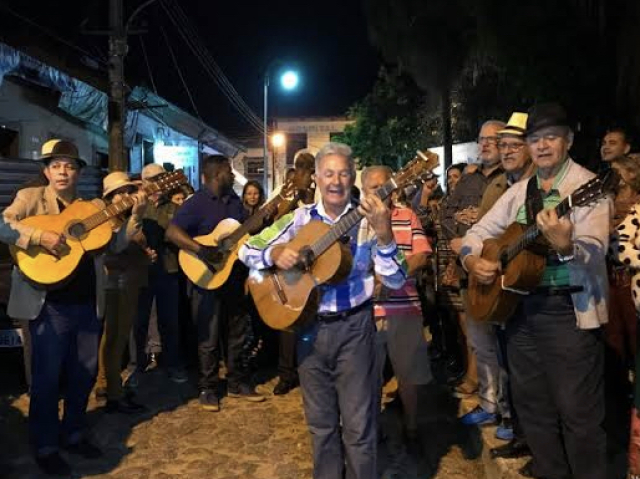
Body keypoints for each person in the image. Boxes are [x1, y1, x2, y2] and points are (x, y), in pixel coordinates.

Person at [239, 142, 408, 479]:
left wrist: (386, 234)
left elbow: (397, 279)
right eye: (328, 173)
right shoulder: (298, 219)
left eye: (343, 173)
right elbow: (246, 247)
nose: (336, 181)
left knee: (360, 428)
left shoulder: (367, 219)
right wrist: (274, 255)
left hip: (355, 330)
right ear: (315, 177)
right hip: (309, 331)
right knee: (321, 426)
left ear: (352, 177)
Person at [461, 103, 610, 479]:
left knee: (578, 413)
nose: (542, 146)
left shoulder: (586, 187)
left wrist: (565, 244)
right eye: (535, 139)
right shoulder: (520, 191)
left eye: (551, 138)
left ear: (568, 141)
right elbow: (477, 234)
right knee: (534, 410)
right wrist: (471, 261)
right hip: (521, 312)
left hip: (567, 313)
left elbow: (594, 250)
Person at [0, 140, 146, 476]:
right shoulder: (30, 199)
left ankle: (75, 432)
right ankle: (45, 444)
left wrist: (135, 215)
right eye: (56, 166)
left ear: (78, 172)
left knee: (83, 375)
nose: (63, 171)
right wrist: (40, 237)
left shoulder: (92, 207)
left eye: (69, 166)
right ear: (46, 171)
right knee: (46, 379)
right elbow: (3, 225)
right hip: (47, 305)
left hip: (86, 304)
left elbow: (117, 245)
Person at [166, 155, 265, 411]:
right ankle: (208, 387)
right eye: (229, 171)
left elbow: (242, 233)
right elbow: (172, 232)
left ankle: (236, 382)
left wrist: (261, 221)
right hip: (205, 277)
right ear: (217, 174)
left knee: (237, 331)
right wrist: (201, 250)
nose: (233, 175)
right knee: (207, 336)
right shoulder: (196, 203)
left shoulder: (234, 202)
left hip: (232, 276)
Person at [364, 165, 432, 460]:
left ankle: (412, 428)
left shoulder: (407, 216)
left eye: (384, 186)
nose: (379, 193)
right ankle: (373, 429)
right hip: (367, 313)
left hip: (404, 308)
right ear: (363, 190)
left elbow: (421, 255)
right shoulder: (355, 222)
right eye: (372, 187)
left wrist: (396, 276)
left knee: (408, 374)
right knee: (369, 376)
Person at [441, 120, 506, 410]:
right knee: (478, 338)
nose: (485, 144)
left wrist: (480, 221)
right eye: (481, 139)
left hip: (500, 269)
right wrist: (459, 225)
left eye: (493, 139)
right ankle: (488, 402)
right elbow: (446, 214)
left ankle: (505, 407)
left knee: (503, 341)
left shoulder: (513, 178)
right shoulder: (467, 180)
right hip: (469, 270)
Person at [95, 172, 153, 414]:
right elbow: (115, 249)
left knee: (114, 339)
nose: (126, 195)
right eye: (120, 192)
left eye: (128, 191)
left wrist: (145, 255)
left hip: (129, 283)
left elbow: (134, 246)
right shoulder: (108, 221)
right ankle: (114, 394)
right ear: (109, 196)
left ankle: (105, 384)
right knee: (114, 340)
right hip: (116, 285)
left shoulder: (125, 217)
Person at [128, 164, 187, 387]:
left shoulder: (175, 208)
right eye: (153, 179)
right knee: (138, 321)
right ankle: (136, 366)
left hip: (168, 270)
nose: (159, 183)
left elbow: (180, 234)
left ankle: (171, 364)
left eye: (162, 178)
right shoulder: (135, 206)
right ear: (143, 182)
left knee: (169, 321)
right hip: (141, 271)